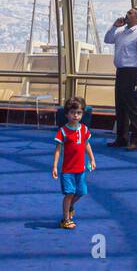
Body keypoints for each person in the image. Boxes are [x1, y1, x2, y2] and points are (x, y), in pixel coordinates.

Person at [104, 7, 137, 150]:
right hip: (121, 72)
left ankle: (135, 140)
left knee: (133, 108)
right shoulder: (120, 33)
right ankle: (121, 138)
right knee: (121, 106)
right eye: (127, 12)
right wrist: (114, 26)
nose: (127, 14)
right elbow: (107, 39)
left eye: (130, 13)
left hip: (132, 72)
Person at [51, 96, 95, 229]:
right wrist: (54, 166)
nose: (76, 116)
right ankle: (65, 219)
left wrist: (92, 159)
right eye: (72, 112)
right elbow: (58, 150)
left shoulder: (84, 130)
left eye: (79, 113)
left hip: (80, 169)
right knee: (69, 193)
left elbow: (86, 144)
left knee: (81, 192)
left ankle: (70, 206)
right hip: (67, 171)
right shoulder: (63, 131)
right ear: (67, 114)